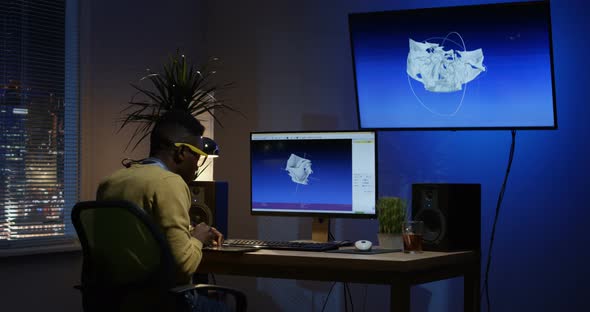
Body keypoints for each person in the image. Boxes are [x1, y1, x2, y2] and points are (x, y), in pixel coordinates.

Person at [96, 110, 224, 310]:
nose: (197, 164)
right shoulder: (170, 183)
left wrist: (187, 235)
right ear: (181, 152)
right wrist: (198, 238)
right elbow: (183, 268)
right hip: (160, 301)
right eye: (198, 156)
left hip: (113, 301)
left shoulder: (110, 182)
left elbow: (134, 238)